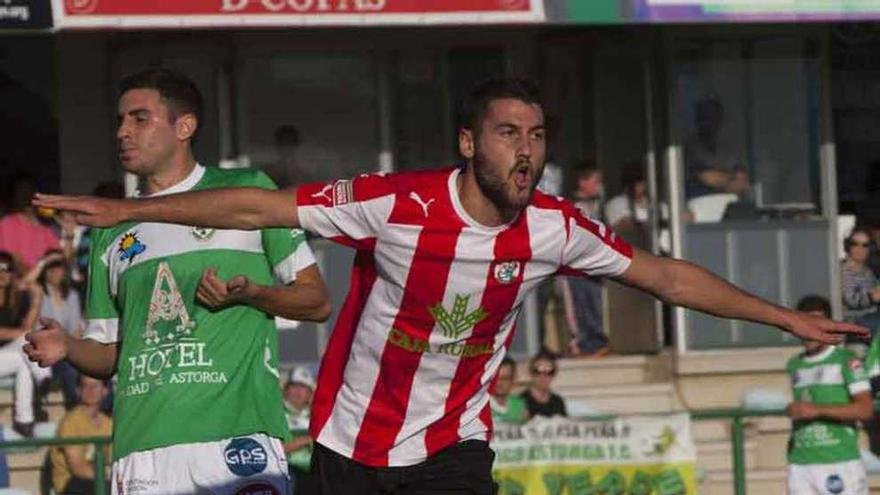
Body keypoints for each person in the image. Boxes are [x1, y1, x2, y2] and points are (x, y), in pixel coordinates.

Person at [32, 77, 867, 495]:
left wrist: (785, 317)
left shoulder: (553, 225)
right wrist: (118, 209)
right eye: (509, 133)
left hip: (451, 445)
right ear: (471, 141)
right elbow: (258, 202)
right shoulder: (396, 203)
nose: (526, 150)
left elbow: (668, 275)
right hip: (349, 443)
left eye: (537, 135)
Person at [25, 68, 332, 495]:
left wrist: (256, 295)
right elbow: (111, 352)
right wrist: (68, 348)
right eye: (119, 121)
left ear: (184, 126)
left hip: (238, 440)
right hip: (144, 450)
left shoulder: (247, 191)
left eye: (139, 118)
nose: (122, 132)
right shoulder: (110, 228)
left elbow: (316, 301)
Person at [786, 295, 871, 495]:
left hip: (838, 460)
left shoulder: (847, 361)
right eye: (805, 323)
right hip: (800, 463)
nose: (810, 331)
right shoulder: (794, 364)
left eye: (817, 323)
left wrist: (816, 411)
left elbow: (865, 409)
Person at [0, 250, 46, 436]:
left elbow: (27, 328)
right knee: (25, 353)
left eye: (7, 269)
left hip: (7, 355)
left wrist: (37, 298)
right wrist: (22, 333)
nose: (2, 273)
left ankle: (24, 421)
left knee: (25, 361)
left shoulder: (15, 299)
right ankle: (43, 377)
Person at [567, 161, 609, 357]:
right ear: (582, 182)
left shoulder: (599, 204)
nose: (599, 186)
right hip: (575, 264)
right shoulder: (572, 206)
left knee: (595, 301)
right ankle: (582, 343)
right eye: (595, 181)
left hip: (595, 263)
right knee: (579, 303)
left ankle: (597, 341)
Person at [34, 251, 84, 410]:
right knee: (69, 368)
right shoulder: (38, 292)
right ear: (45, 271)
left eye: (60, 267)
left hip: (65, 348)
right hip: (43, 348)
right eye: (51, 268)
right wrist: (44, 261)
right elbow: (36, 329)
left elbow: (75, 330)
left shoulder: (72, 296)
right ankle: (75, 409)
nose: (56, 272)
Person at [49, 375, 112, 495]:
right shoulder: (70, 422)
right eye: (85, 385)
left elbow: (114, 458)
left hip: (99, 479)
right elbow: (78, 468)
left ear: (105, 391)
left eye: (95, 386)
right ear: (78, 390)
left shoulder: (108, 423)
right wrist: (108, 477)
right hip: (71, 485)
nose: (90, 390)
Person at [684, 98, 750, 199]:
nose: (709, 123)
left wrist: (724, 180)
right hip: (700, 205)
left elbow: (742, 180)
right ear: (697, 120)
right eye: (705, 118)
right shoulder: (689, 148)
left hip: (727, 205)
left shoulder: (726, 150)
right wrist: (731, 180)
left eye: (714, 118)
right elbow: (706, 177)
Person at [0, 174, 65, 272]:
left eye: (29, 190)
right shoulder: (8, 223)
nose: (26, 195)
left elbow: (60, 258)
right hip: (23, 284)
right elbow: (14, 263)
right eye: (21, 190)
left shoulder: (46, 225)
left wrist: (70, 232)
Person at [283, 366, 316, 495]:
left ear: (310, 393)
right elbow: (275, 449)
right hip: (287, 476)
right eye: (294, 386)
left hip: (313, 478)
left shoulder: (316, 416)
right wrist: (306, 440)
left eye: (303, 387)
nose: (298, 392)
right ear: (286, 390)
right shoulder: (276, 414)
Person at [841, 228, 880, 330]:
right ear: (848, 246)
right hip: (854, 320)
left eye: (865, 245)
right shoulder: (844, 271)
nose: (860, 248)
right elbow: (850, 300)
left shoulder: (867, 271)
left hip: (872, 316)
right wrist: (872, 297)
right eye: (855, 244)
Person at [520, 351, 567, 418]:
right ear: (531, 373)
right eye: (538, 371)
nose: (543, 376)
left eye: (549, 372)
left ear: (554, 374)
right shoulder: (521, 401)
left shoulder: (558, 402)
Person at [490, 357, 528, 425]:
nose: (500, 382)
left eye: (505, 378)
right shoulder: (481, 406)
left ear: (513, 379)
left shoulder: (520, 405)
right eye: (496, 378)